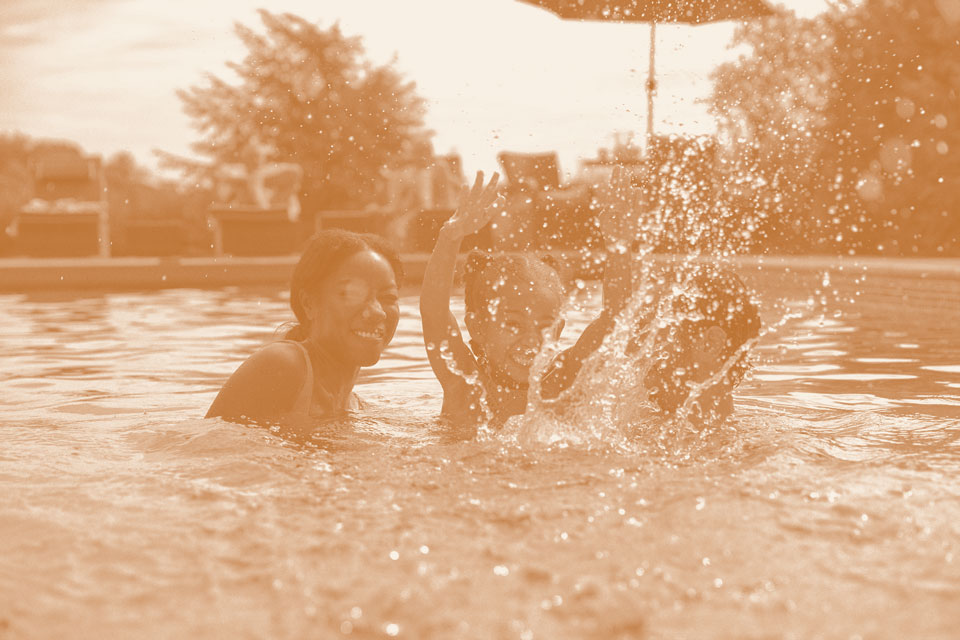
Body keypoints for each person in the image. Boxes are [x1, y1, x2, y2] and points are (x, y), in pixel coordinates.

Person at [206, 230, 403, 427]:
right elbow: (210, 452)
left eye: (389, 298)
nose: (378, 312)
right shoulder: (282, 364)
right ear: (309, 304)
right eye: (352, 294)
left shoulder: (354, 406)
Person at [420, 171, 567, 427]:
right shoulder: (465, 386)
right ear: (477, 327)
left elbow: (613, 320)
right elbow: (434, 312)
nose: (532, 340)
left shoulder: (562, 383)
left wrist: (618, 245)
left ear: (559, 330)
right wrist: (450, 237)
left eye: (545, 327)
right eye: (513, 324)